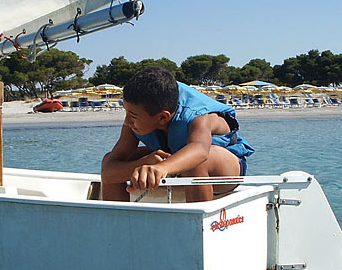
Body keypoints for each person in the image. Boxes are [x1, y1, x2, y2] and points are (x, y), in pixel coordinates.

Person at [101, 67, 254, 202]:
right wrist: (143, 163)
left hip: (224, 169)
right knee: (109, 159)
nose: (127, 121)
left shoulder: (198, 115)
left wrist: (161, 168)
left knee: (195, 161)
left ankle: (196, 229)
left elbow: (199, 151)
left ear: (163, 117)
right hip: (173, 162)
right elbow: (109, 172)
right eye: (126, 112)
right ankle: (118, 228)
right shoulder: (137, 115)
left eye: (133, 116)